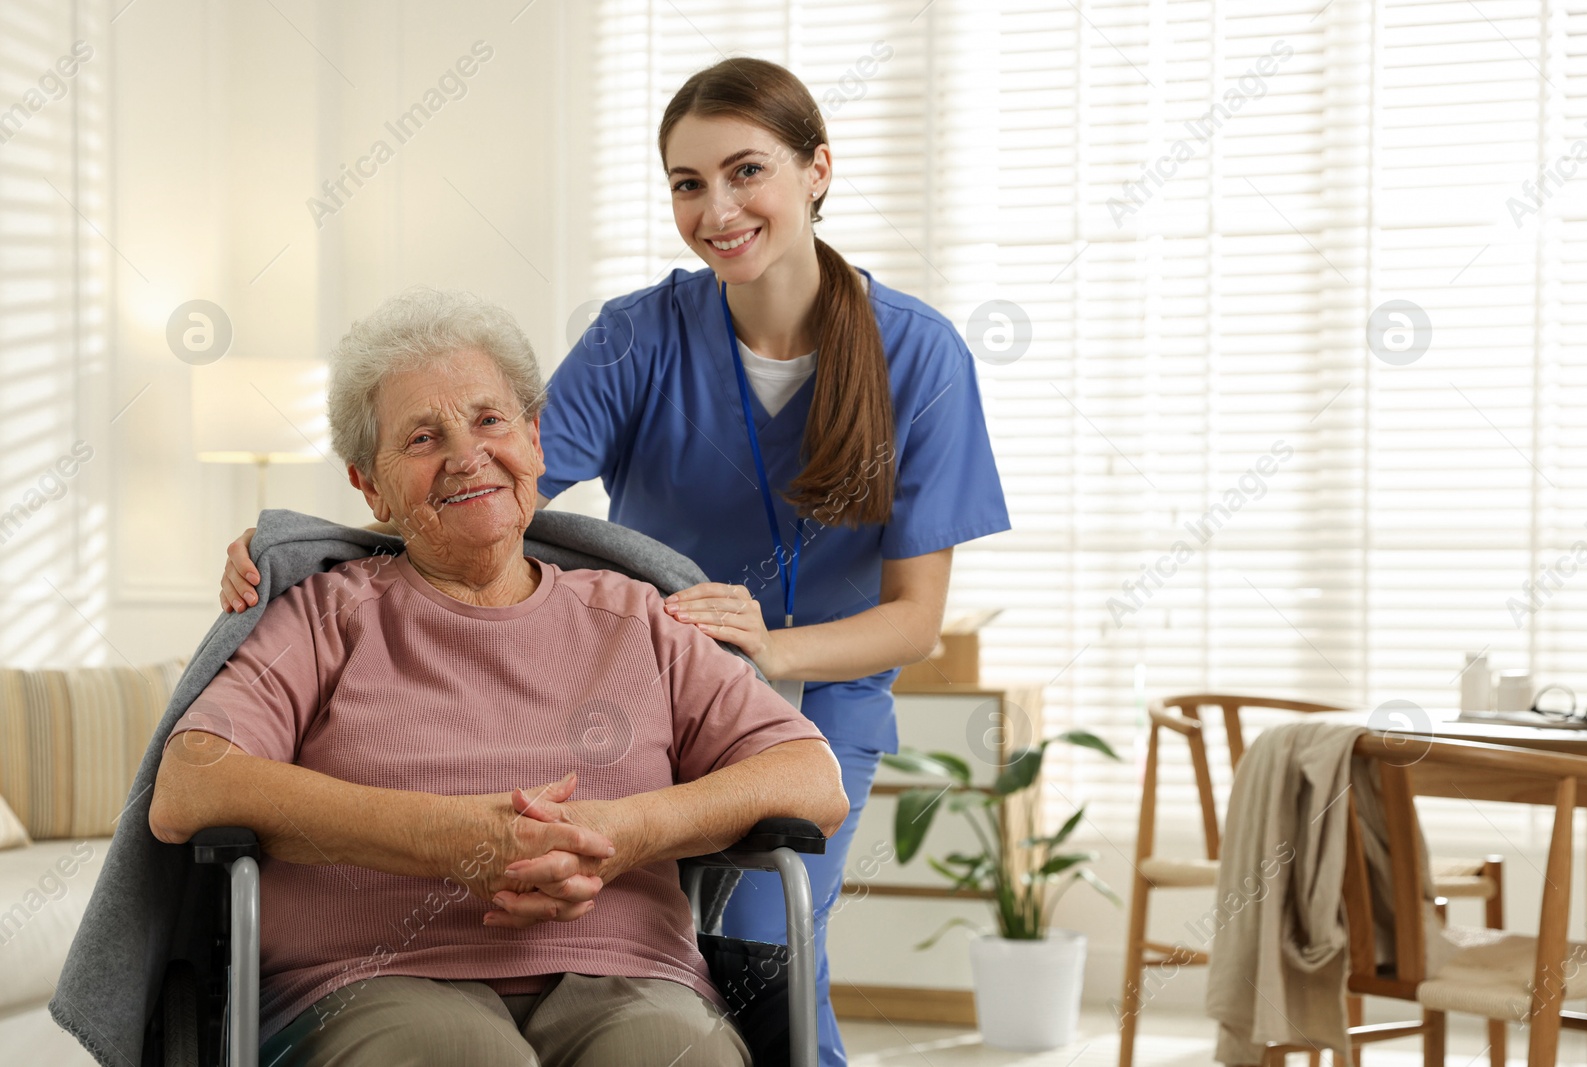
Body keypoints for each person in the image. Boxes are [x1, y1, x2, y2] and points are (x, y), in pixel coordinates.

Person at [214, 58, 1009, 1066]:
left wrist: (768, 643)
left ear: (817, 170)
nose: (715, 208)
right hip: (646, 680)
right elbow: (488, 483)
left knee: (766, 962)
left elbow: (913, 617)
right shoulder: (639, 336)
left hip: (820, 688)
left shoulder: (919, 354)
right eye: (686, 183)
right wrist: (299, 546)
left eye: (745, 171)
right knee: (656, 957)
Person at [153, 289, 849, 1067]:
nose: (466, 454)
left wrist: (626, 831)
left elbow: (814, 779)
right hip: (374, 977)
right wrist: (446, 839)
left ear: (536, 439)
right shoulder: (323, 616)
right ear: (370, 487)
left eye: (490, 420)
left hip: (629, 974)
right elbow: (190, 783)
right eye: (422, 437)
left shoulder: (637, 616)